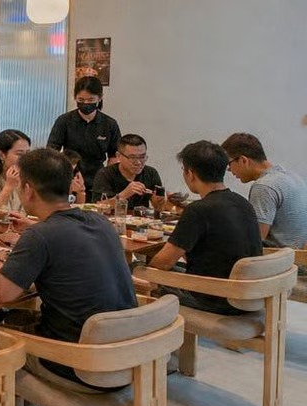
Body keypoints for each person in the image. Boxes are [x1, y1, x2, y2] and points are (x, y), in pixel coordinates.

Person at [0, 149, 137, 406]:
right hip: (126, 362)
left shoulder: (40, 236)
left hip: (82, 369)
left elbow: (3, 293)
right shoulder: (100, 222)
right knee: (30, 323)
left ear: (28, 190)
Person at [148, 141, 263, 314]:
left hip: (215, 299)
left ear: (190, 173)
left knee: (137, 269)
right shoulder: (242, 202)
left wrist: (144, 267)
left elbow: (163, 263)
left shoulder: (198, 210)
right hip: (248, 295)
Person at [222, 133, 307, 249]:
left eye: (229, 164)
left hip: (285, 258)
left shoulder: (264, 186)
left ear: (243, 160)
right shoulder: (292, 177)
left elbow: (255, 241)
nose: (229, 170)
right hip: (300, 256)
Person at [47, 76, 121, 192]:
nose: (86, 103)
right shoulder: (64, 121)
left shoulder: (109, 124)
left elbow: (114, 156)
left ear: (100, 98)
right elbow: (52, 151)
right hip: (69, 178)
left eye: (91, 100)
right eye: (81, 100)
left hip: (98, 179)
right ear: (75, 97)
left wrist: (107, 178)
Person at [92, 134, 165, 211]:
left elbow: (159, 208)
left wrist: (161, 201)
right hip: (111, 217)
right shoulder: (105, 174)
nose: (138, 162)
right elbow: (98, 207)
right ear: (118, 156)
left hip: (141, 217)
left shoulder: (151, 173)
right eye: (132, 157)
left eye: (142, 157)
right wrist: (124, 195)